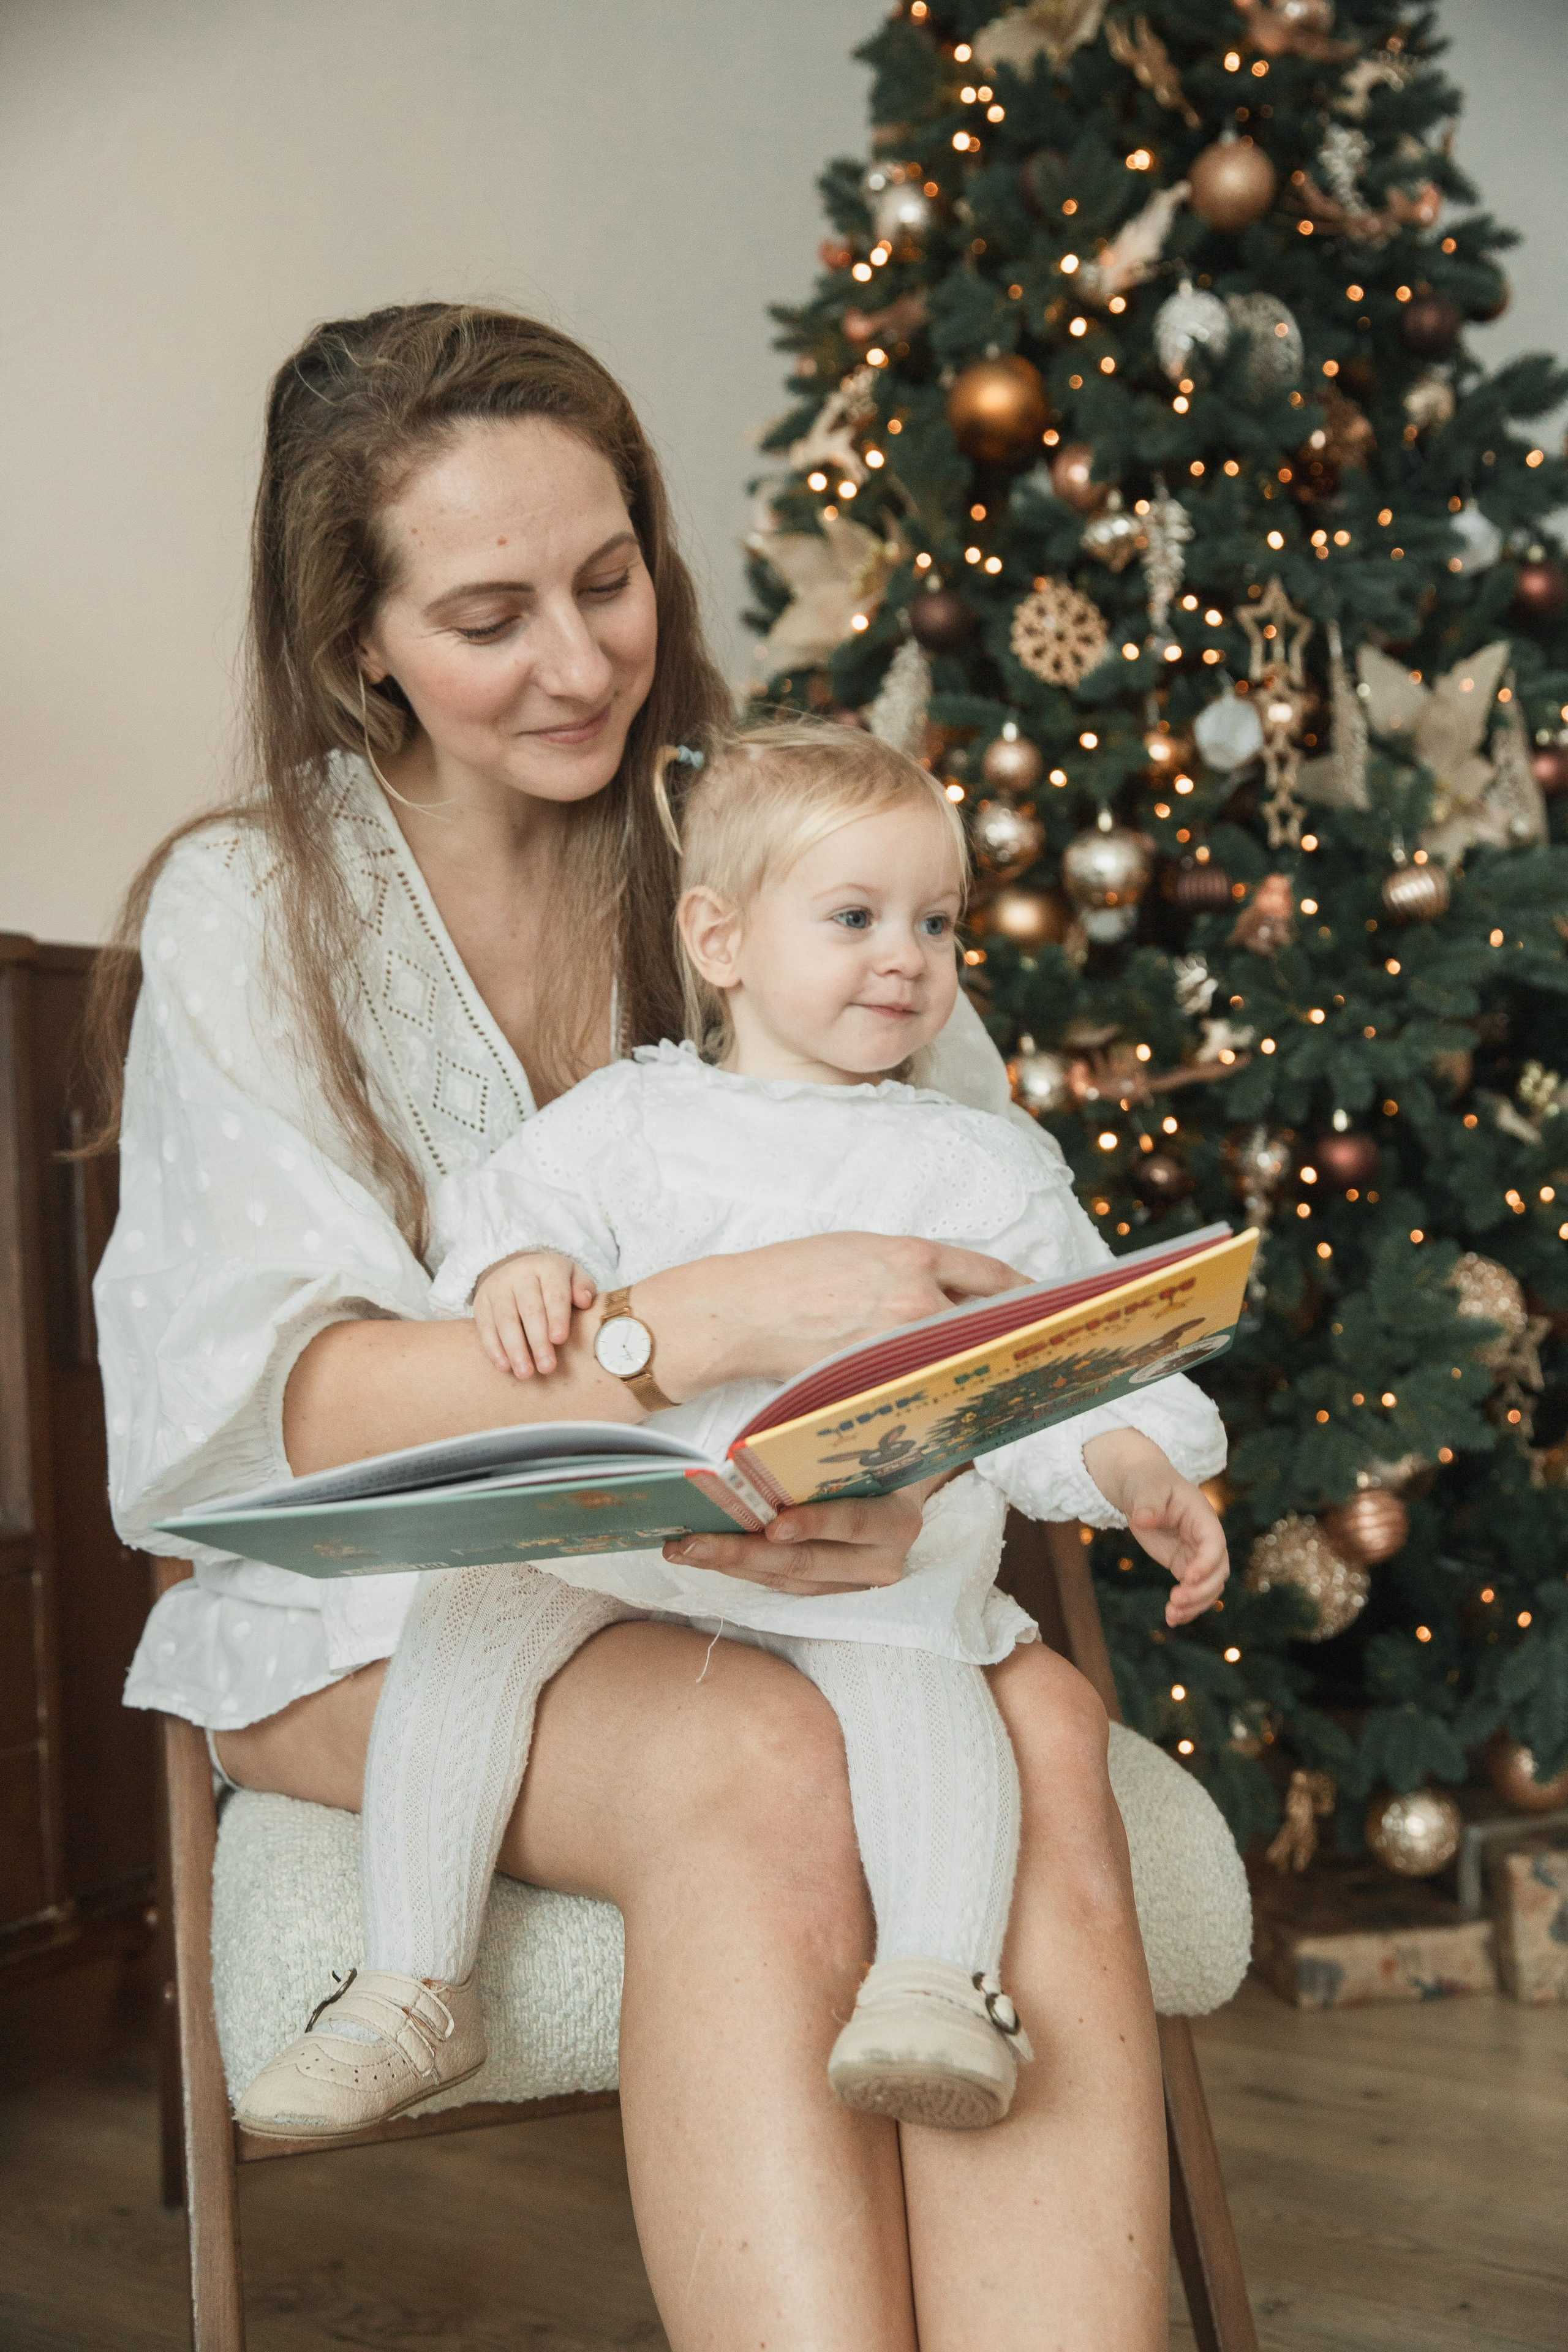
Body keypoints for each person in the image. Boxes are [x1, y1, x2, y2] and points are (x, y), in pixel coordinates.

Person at [94, 301, 1243, 2350]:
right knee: (760, 1760)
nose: (578, 661)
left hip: (793, 1577)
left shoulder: (772, 856)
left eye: (610, 580)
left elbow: (980, 1279)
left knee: (1040, 1714)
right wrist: (689, 1326)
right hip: (380, 1611)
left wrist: (900, 1472)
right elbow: (261, 1413)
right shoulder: (251, 907)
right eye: (488, 614)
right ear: (358, 641)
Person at [232, 718, 1229, 2146]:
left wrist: (1137, 1470)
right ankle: (412, 1982)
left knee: (922, 1669)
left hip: (851, 1559)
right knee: (469, 1614)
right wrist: (517, 1276)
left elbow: (1061, 1365)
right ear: (720, 940)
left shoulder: (975, 1164)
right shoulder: (632, 1120)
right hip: (643, 1543)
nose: (907, 956)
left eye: (934, 922)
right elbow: (501, 1228)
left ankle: (937, 1987)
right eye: (853, 917)